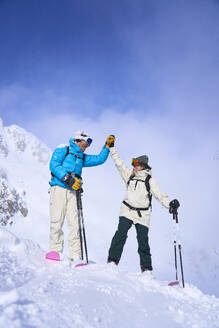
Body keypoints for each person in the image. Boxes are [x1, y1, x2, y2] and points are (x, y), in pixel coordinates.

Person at [107, 138, 180, 273]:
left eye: (136, 164)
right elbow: (119, 164)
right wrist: (112, 148)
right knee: (120, 235)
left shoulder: (149, 180)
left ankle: (146, 270)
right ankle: (112, 261)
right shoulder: (130, 176)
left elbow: (159, 195)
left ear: (143, 166)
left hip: (143, 214)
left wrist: (170, 204)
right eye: (133, 163)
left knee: (143, 242)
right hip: (127, 210)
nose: (133, 166)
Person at [48, 131, 114, 262]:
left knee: (74, 223)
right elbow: (53, 165)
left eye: (87, 146)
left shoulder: (81, 157)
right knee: (57, 219)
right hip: (59, 188)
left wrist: (107, 146)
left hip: (73, 192)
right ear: (78, 140)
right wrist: (68, 179)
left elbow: (99, 159)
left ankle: (76, 255)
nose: (86, 147)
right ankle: (54, 251)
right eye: (84, 144)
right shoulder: (64, 149)